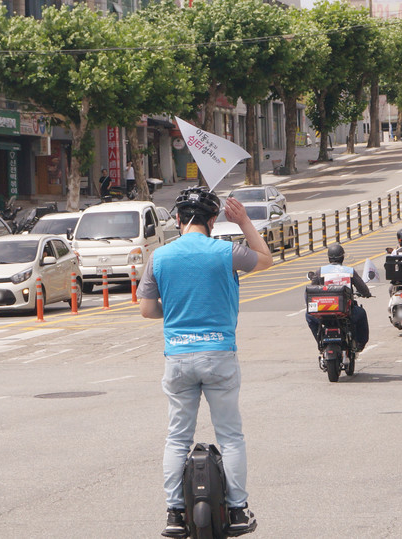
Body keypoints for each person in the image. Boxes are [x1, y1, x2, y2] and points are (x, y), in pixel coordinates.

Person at [138, 186, 270, 537]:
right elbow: (266, 259)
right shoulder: (226, 252)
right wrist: (243, 221)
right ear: (214, 220)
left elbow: (147, 309)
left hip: (178, 355)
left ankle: (175, 514)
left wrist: (180, 311)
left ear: (178, 219)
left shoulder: (160, 257)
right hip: (219, 354)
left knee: (177, 437)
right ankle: (239, 510)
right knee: (230, 435)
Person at [307, 243, 371, 352]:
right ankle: (360, 344)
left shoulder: (320, 271)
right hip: (346, 312)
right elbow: (362, 288)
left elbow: (311, 291)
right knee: (362, 313)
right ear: (342, 257)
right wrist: (366, 294)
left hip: (324, 311)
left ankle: (319, 342)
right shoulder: (350, 271)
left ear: (329, 258)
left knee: (309, 317)